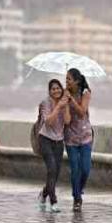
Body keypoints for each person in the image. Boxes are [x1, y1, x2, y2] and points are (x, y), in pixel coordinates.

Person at [38, 79, 70, 213]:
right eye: (53, 89)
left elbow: (67, 121)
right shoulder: (45, 103)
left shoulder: (64, 102)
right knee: (51, 169)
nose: (56, 91)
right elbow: (49, 122)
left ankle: (44, 194)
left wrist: (65, 105)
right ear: (49, 91)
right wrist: (58, 107)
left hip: (59, 141)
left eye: (58, 88)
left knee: (55, 173)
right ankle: (53, 202)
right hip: (45, 139)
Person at [64, 68, 93, 212]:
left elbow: (82, 112)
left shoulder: (85, 92)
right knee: (75, 169)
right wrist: (65, 101)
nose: (66, 82)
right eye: (66, 79)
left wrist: (71, 100)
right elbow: (67, 120)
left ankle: (78, 190)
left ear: (76, 80)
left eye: (69, 79)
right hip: (70, 137)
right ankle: (77, 198)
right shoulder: (64, 94)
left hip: (86, 136)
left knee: (86, 169)